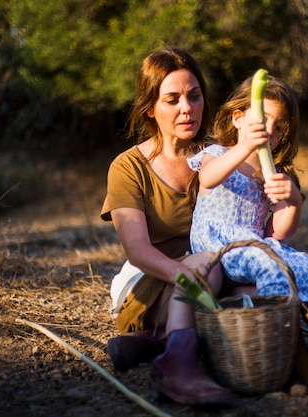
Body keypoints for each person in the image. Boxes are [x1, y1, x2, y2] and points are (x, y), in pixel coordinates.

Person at [187, 74, 308, 385]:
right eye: (263, 120)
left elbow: (279, 232)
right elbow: (208, 178)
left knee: (301, 263)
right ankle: (294, 353)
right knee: (270, 264)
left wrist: (292, 200)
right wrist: (244, 147)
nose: (270, 130)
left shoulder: (274, 174)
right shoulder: (219, 154)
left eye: (279, 127)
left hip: (253, 247)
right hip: (217, 245)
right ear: (238, 118)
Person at [100, 48, 235, 405]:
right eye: (172, 99)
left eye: (194, 96)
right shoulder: (128, 167)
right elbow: (138, 251)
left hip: (213, 272)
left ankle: (157, 341)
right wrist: (188, 274)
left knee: (253, 292)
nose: (186, 108)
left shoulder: (217, 157)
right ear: (150, 108)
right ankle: (176, 368)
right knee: (208, 269)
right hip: (151, 282)